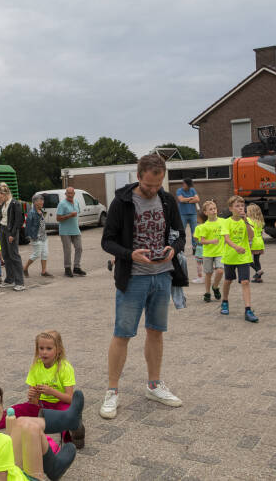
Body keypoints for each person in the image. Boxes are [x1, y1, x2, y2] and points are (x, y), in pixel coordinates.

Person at [100, 154, 185, 420]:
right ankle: (112, 391)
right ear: (138, 176)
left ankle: (154, 385)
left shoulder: (168, 200)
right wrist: (129, 254)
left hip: (162, 275)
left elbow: (180, 234)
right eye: (148, 185)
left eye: (157, 185)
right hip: (134, 277)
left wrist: (174, 248)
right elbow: (107, 241)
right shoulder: (122, 202)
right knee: (122, 333)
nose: (152, 190)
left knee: (156, 331)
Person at [0, 384, 78, 481]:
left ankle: (68, 420)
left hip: (10, 472)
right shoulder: (2, 441)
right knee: (33, 428)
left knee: (22, 422)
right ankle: (54, 466)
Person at [0, 331, 84, 448]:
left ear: (59, 349)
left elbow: (70, 399)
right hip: (42, 405)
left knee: (66, 413)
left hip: (60, 404)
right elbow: (33, 403)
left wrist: (52, 392)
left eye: (49, 348)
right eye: (41, 348)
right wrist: (32, 395)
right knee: (17, 409)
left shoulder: (65, 367)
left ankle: (75, 433)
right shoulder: (36, 367)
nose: (44, 352)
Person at [219, 196, 259, 322]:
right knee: (228, 280)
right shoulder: (226, 222)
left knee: (245, 282)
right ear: (231, 208)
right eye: (237, 206)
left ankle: (248, 310)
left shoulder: (247, 221)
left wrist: (246, 221)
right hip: (230, 257)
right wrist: (236, 247)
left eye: (242, 206)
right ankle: (225, 301)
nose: (240, 208)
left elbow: (251, 236)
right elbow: (226, 238)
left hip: (244, 257)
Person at [0, 184, 25, 291]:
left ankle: (20, 282)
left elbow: (18, 221)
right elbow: (1, 217)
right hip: (3, 229)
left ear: (4, 194)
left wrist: (12, 234)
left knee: (14, 255)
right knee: (6, 255)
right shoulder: (3, 204)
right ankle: (10, 279)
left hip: (10, 231)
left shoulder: (15, 203)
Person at [197, 200, 225, 303]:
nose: (213, 211)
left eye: (215, 208)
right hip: (208, 253)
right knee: (208, 274)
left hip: (220, 252)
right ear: (205, 212)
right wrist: (212, 241)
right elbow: (202, 240)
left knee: (220, 271)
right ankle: (207, 292)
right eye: (211, 209)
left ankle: (215, 286)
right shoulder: (205, 226)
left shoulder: (223, 221)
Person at [56, 187, 85, 278]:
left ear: (74, 194)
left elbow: (77, 214)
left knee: (79, 248)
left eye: (71, 193)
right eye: (68, 193)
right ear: (65, 194)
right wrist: (69, 215)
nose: (69, 195)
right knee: (67, 250)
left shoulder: (76, 202)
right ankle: (67, 268)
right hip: (65, 231)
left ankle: (76, 267)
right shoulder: (62, 204)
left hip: (75, 230)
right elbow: (58, 218)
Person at [24, 194, 53, 278]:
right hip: (36, 237)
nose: (42, 202)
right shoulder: (32, 213)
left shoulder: (41, 211)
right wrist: (30, 237)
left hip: (44, 236)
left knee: (45, 254)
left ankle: (43, 272)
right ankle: (25, 268)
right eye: (40, 200)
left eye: (42, 200)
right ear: (35, 202)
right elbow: (28, 226)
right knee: (36, 254)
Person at [176, 178, 201, 252]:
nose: (183, 185)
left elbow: (197, 199)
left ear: (188, 185)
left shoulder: (192, 190)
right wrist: (190, 198)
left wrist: (186, 200)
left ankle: (195, 248)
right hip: (182, 214)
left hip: (193, 214)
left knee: (194, 232)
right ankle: (181, 248)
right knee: (182, 232)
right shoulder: (179, 190)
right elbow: (181, 200)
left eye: (184, 184)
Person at [246, 203, 266, 283]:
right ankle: (258, 278)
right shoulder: (260, 221)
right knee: (257, 260)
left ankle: (258, 270)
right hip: (260, 242)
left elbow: (250, 232)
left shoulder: (248, 220)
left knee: (247, 259)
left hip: (253, 241)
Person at [191, 212, 206, 283]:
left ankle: (200, 277)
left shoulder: (198, 227)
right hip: (207, 247)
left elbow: (195, 238)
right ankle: (207, 277)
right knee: (206, 263)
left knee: (199, 263)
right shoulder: (208, 226)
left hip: (200, 247)